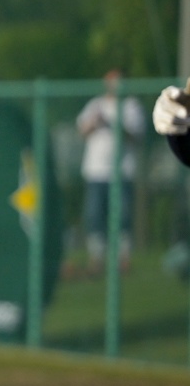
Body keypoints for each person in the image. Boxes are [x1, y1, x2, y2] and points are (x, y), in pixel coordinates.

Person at [76, 74, 145, 267]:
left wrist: (112, 123)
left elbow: (135, 135)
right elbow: (82, 130)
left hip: (121, 172)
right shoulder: (95, 104)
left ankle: (123, 257)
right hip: (96, 172)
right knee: (94, 215)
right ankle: (97, 257)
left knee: (123, 216)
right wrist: (95, 122)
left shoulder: (131, 106)